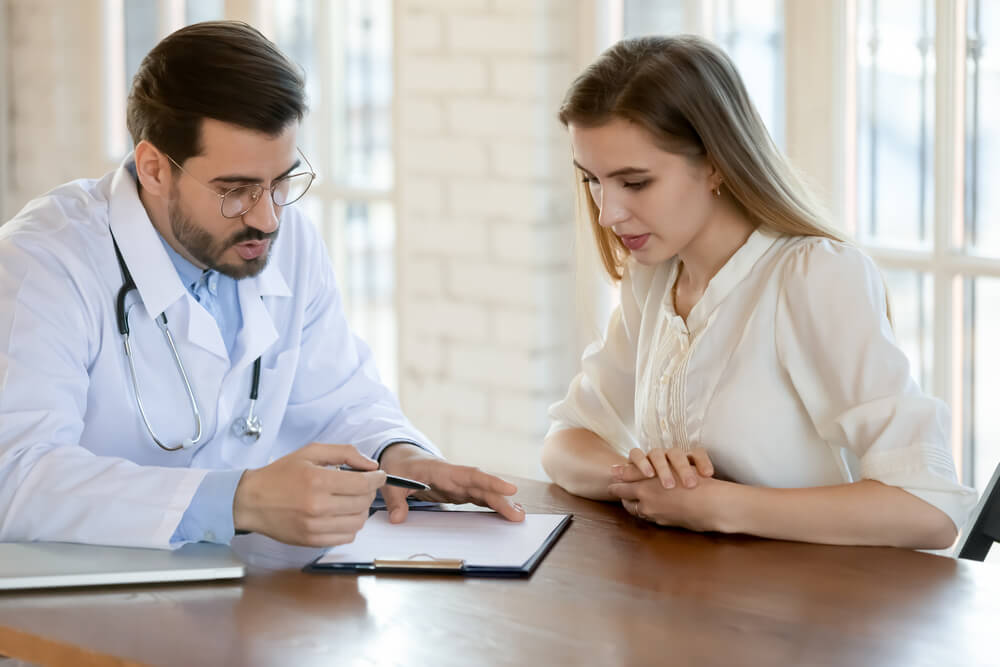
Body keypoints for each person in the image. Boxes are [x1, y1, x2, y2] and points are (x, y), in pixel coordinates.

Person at [0, 21, 523, 550]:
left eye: (281, 183)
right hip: (75, 602)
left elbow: (341, 397)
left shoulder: (287, 239)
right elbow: (15, 476)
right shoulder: (42, 262)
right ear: (154, 168)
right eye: (237, 190)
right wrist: (236, 501)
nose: (269, 219)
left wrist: (403, 459)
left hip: (243, 593)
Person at [541, 35, 974, 549]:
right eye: (592, 179)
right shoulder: (653, 276)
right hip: (695, 603)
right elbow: (566, 440)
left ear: (717, 164)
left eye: (634, 183)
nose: (608, 212)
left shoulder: (812, 276)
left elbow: (930, 508)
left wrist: (717, 505)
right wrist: (639, 476)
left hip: (815, 613)